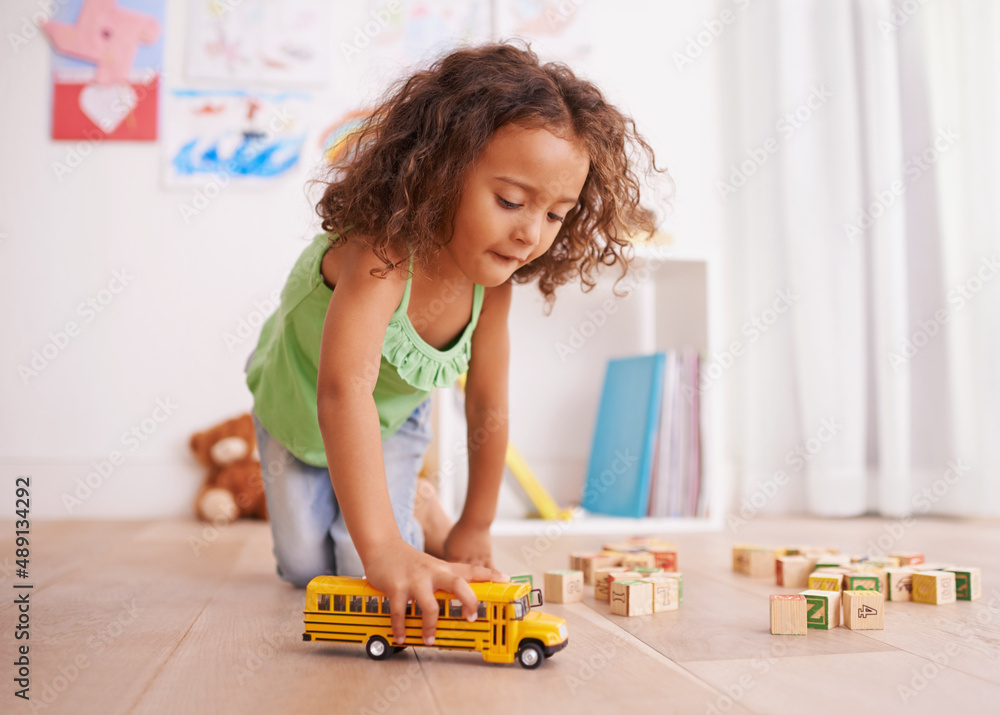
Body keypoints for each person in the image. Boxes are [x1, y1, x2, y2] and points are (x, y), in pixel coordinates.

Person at [245, 40, 665, 647]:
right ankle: (400, 514)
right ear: (442, 171)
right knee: (304, 568)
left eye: (555, 215)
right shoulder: (380, 255)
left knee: (356, 574)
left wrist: (476, 522)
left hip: (389, 422)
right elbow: (343, 391)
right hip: (298, 408)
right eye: (512, 202)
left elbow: (488, 403)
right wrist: (386, 545)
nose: (529, 234)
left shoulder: (492, 287)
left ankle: (420, 507)